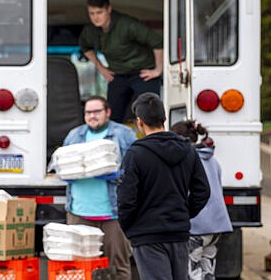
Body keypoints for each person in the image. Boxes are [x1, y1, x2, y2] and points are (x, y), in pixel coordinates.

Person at [117, 92, 210, 280]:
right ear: (165, 119)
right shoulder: (188, 150)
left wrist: (130, 227)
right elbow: (203, 191)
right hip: (179, 232)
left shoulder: (135, 154)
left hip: (147, 235)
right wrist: (184, 212)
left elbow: (126, 198)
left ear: (139, 122)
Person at [62, 95, 137, 279]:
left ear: (108, 112)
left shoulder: (124, 135)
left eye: (97, 112)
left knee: (118, 268)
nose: (92, 116)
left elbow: (138, 170)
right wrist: (67, 174)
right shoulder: (74, 136)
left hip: (113, 215)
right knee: (80, 269)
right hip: (79, 214)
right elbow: (62, 165)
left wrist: (117, 175)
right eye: (88, 112)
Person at [79, 0, 164, 124]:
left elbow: (157, 42)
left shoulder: (127, 24)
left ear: (109, 9)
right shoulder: (90, 30)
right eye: (92, 13)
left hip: (143, 72)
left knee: (149, 113)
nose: (96, 17)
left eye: (99, 12)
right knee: (113, 115)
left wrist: (158, 70)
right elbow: (85, 47)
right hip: (117, 74)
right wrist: (101, 68)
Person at [170, 120, 233, 280]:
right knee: (207, 270)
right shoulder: (212, 159)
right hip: (217, 226)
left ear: (179, 138)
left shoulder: (186, 160)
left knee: (191, 272)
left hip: (196, 226)